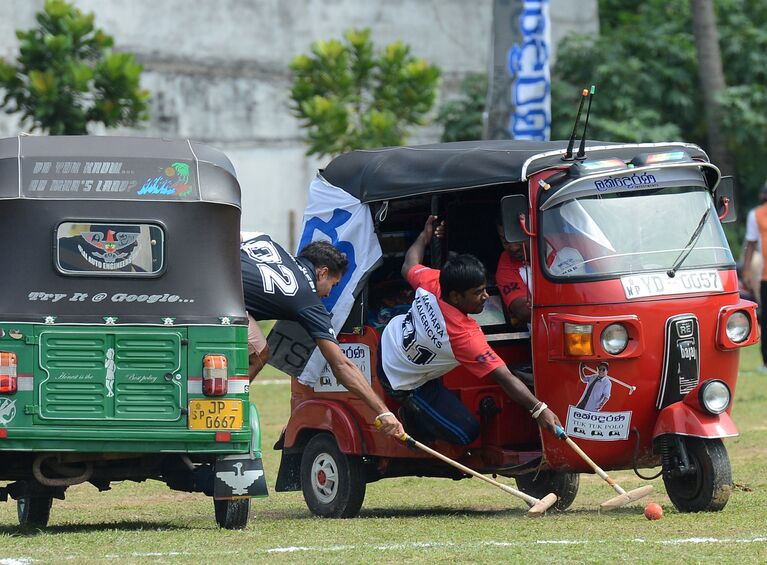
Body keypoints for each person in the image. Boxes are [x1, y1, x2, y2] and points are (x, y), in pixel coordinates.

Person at [378, 216, 561, 445]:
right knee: (466, 434)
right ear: (455, 296)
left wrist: (424, 237)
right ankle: (409, 416)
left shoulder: (435, 281)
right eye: (478, 292)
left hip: (395, 339)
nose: (486, 296)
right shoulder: (464, 337)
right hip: (401, 376)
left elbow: (409, 264)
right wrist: (539, 409)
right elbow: (504, 376)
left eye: (485, 289)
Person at [240, 232, 404, 438]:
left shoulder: (270, 243)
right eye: (333, 285)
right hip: (215, 301)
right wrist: (384, 411)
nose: (327, 294)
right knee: (260, 353)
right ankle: (224, 410)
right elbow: (341, 365)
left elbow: (238, 233)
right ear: (322, 272)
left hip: (197, 277)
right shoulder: (307, 299)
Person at [742, 180, 767, 371]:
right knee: (765, 319)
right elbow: (751, 244)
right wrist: (747, 271)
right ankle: (766, 361)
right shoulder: (756, 215)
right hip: (765, 276)